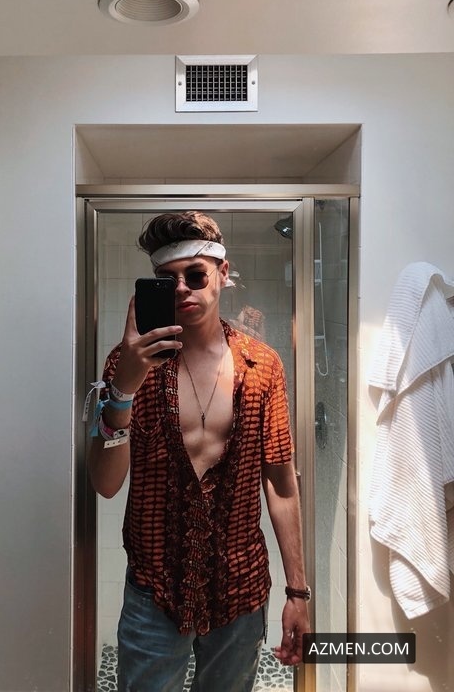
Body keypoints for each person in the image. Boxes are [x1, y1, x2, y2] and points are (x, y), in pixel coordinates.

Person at [88, 211, 310, 692]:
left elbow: (280, 483)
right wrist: (123, 389)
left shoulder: (262, 366)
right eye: (167, 279)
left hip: (240, 587)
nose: (182, 289)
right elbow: (105, 484)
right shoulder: (126, 364)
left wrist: (298, 591)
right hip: (154, 588)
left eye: (195, 275)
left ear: (223, 274)